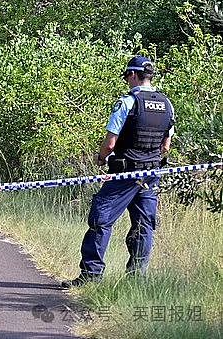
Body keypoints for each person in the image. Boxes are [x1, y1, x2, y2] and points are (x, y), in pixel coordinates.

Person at [62, 55, 175, 288]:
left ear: (133, 75)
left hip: (125, 173)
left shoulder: (127, 103)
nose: (126, 81)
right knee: (144, 225)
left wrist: (102, 158)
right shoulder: (166, 104)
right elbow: (166, 146)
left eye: (127, 76)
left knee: (100, 219)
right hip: (151, 173)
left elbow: (111, 143)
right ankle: (136, 280)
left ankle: (91, 275)